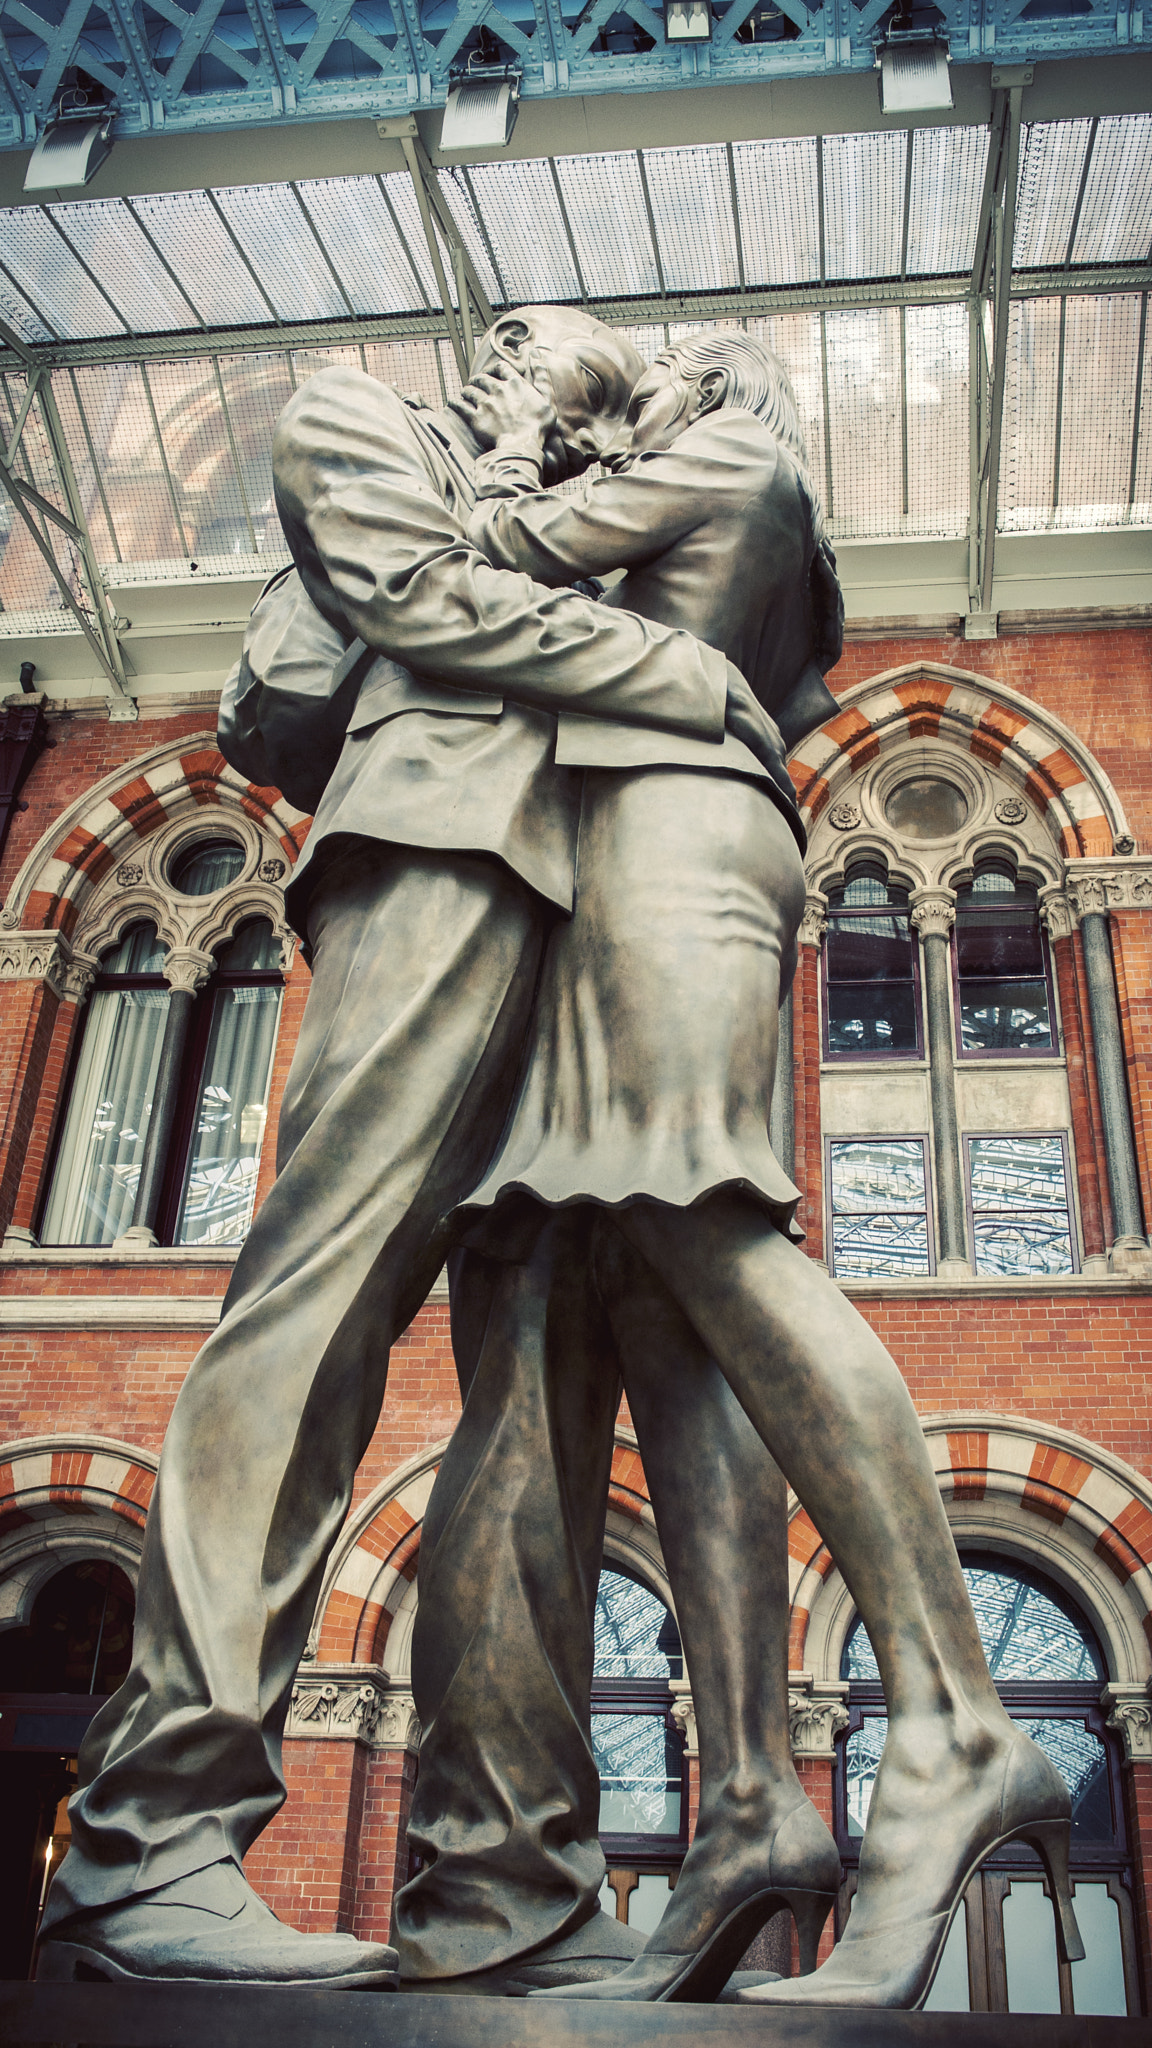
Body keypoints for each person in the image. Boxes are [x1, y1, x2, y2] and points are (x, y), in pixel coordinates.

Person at [34, 307, 829, 1994]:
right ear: (489, 351)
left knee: (539, 1395)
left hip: (579, 910)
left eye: (604, 395)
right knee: (316, 1297)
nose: (570, 398)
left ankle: (506, 1886)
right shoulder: (354, 415)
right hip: (434, 850)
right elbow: (420, 601)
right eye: (556, 359)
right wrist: (683, 677)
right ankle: (144, 1841)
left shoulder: (585, 507)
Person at [450, 329, 1086, 2010]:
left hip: (670, 836)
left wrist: (523, 440)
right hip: (647, 841)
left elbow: (492, 553)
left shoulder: (727, 460)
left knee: (703, 1220)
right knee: (657, 1293)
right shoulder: (746, 522)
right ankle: (745, 1799)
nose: (622, 396)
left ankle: (955, 1720)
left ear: (706, 390)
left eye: (645, 381)